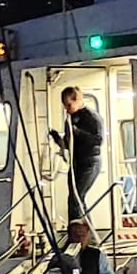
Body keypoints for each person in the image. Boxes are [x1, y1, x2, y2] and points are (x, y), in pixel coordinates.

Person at [50, 87, 103, 223]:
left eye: (69, 105)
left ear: (78, 100)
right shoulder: (71, 119)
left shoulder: (92, 117)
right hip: (76, 162)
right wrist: (57, 139)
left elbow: (98, 140)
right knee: (75, 199)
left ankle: (82, 231)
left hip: (90, 161)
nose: (67, 109)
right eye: (65, 106)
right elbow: (69, 144)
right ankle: (81, 230)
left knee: (77, 197)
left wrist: (78, 132)